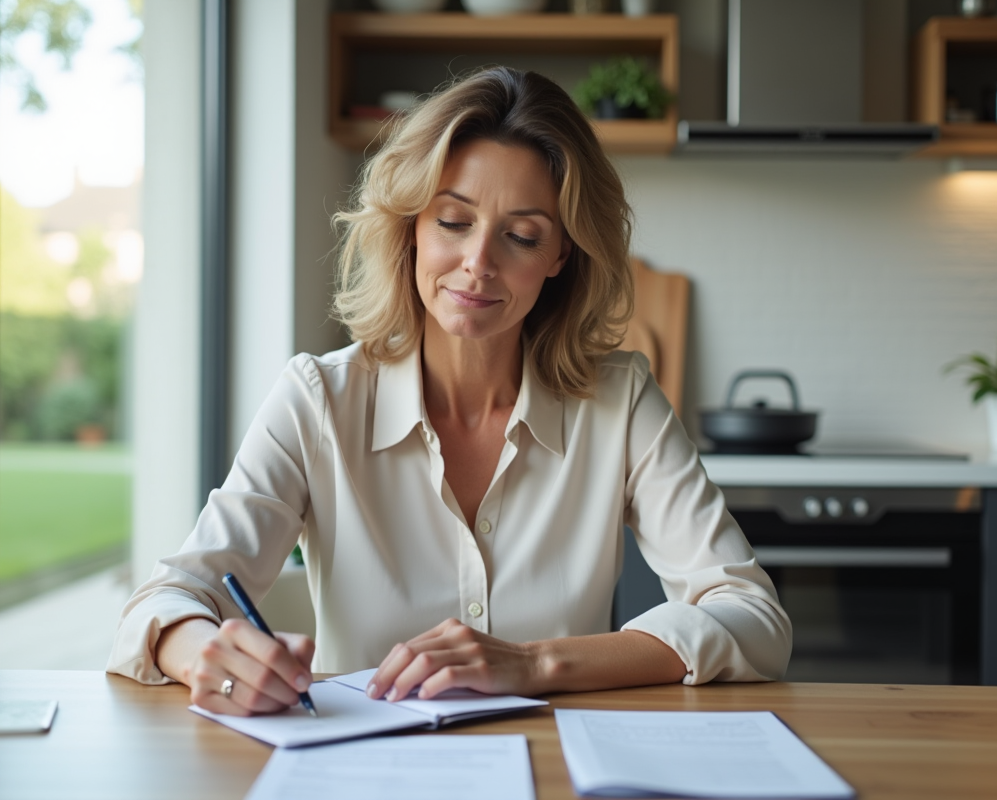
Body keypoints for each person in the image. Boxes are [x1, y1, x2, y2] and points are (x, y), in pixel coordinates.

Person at [107, 67, 791, 715]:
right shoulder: (318, 399)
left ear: (561, 256)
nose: (478, 264)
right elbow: (163, 602)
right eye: (454, 222)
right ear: (411, 225)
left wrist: (534, 663)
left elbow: (754, 618)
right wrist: (210, 655)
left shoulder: (621, 403)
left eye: (522, 235)